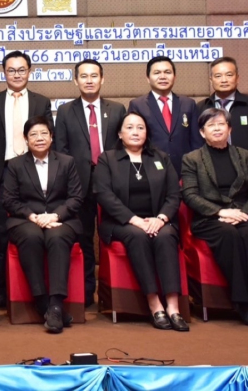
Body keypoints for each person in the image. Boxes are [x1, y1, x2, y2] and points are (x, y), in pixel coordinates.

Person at [181, 108, 248, 327]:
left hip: (243, 214)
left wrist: (244, 213)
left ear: (230, 129)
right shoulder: (192, 159)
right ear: (202, 132)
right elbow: (190, 194)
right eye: (211, 125)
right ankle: (243, 304)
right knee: (229, 235)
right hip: (209, 218)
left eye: (221, 124)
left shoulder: (244, 155)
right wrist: (220, 212)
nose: (217, 129)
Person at [94, 112, 188, 331]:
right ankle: (154, 304)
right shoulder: (107, 159)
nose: (135, 132)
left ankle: (173, 307)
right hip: (122, 223)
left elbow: (174, 194)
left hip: (158, 220)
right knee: (137, 236)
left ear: (147, 133)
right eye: (129, 128)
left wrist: (161, 218)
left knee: (166, 236)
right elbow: (104, 195)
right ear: (120, 133)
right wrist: (134, 220)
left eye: (140, 127)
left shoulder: (160, 158)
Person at [0, 50, 52, 308]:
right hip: (3, 174)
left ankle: (36, 289)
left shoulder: (41, 101)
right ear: (4, 73)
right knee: (2, 233)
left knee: (35, 230)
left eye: (21, 70)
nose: (16, 74)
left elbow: (49, 138)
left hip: (35, 172)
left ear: (29, 72)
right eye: (11, 70)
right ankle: (3, 290)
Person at [55, 59, 126, 307]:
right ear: (76, 80)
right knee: (84, 237)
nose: (89, 80)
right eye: (83, 76)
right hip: (79, 185)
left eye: (94, 75)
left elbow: (124, 148)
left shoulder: (117, 109)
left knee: (112, 235)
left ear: (102, 79)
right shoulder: (65, 111)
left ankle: (112, 291)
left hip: (112, 183)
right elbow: (61, 150)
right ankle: (86, 292)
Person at [3, 115, 82, 333]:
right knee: (31, 237)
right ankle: (41, 301)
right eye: (33, 134)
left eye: (44, 133)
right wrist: (33, 216)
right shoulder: (15, 164)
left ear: (51, 137)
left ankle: (55, 304)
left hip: (61, 220)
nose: (39, 138)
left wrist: (55, 216)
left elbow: (76, 197)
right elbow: (9, 199)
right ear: (26, 139)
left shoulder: (66, 162)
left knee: (57, 238)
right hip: (26, 220)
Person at [129, 56, 203, 174]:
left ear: (175, 77)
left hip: (185, 170)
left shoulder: (188, 104)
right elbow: (133, 142)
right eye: (157, 73)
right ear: (148, 78)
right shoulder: (138, 105)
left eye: (167, 72)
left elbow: (196, 142)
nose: (162, 76)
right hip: (150, 169)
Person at [197, 57, 248, 174]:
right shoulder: (201, 107)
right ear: (211, 80)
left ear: (237, 78)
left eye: (229, 75)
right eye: (218, 76)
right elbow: (197, 144)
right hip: (211, 174)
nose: (224, 80)